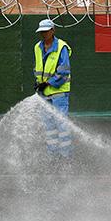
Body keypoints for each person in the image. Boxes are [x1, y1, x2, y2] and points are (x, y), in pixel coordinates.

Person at [34, 18, 72, 157]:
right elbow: (37, 68)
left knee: (62, 124)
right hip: (44, 93)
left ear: (53, 30)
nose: (43, 34)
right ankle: (52, 154)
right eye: (41, 32)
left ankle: (66, 155)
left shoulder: (61, 47)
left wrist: (48, 83)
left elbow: (64, 71)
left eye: (46, 31)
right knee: (48, 124)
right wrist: (38, 82)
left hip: (59, 92)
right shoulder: (37, 47)